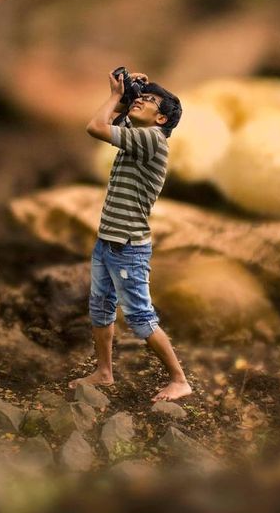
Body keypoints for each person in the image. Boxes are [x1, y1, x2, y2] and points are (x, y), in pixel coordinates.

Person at [71, 69, 191, 402]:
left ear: (162, 118)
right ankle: (104, 372)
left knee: (140, 318)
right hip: (107, 242)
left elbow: (95, 127)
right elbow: (114, 121)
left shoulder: (153, 139)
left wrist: (114, 100)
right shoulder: (137, 134)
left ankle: (179, 379)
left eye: (149, 100)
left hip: (128, 248)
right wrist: (125, 96)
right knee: (101, 309)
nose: (141, 101)